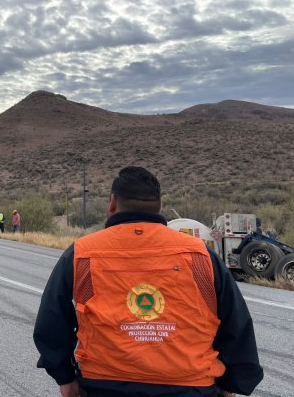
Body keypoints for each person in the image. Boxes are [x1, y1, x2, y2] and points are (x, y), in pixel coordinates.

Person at [33, 166, 263, 397]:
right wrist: (232, 383)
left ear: (112, 203)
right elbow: (236, 323)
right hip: (191, 387)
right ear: (159, 206)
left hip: (102, 386)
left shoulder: (83, 253)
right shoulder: (200, 255)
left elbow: (51, 323)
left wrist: (65, 377)